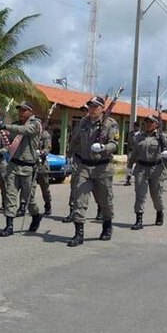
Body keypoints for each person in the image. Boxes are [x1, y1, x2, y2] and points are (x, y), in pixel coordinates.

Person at [66, 96, 118, 247]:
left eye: (96, 107)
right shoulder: (83, 122)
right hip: (84, 167)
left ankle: (107, 226)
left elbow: (114, 144)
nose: (92, 109)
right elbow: (75, 140)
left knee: (105, 201)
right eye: (90, 106)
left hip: (102, 168)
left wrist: (104, 148)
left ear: (102, 108)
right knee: (79, 199)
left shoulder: (110, 123)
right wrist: (70, 156)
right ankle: (78, 233)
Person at [0, 101, 43, 237]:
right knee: (10, 195)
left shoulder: (35, 124)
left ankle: (36, 215)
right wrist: (0, 130)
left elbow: (24, 131)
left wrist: (6, 126)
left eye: (23, 110)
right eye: (19, 110)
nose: (20, 113)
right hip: (13, 165)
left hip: (27, 167)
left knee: (29, 199)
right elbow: (9, 142)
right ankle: (9, 225)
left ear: (30, 111)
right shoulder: (16, 125)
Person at [128, 115, 167, 230]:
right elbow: (135, 152)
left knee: (156, 195)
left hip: (156, 169)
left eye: (151, 122)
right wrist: (129, 165)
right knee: (140, 195)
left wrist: (166, 153)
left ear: (156, 124)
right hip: (141, 168)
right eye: (146, 122)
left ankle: (159, 211)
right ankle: (139, 219)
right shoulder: (139, 137)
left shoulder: (162, 136)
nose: (148, 124)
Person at [36, 126, 53, 215]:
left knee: (44, 187)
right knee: (27, 187)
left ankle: (47, 203)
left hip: (42, 164)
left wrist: (42, 152)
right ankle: (23, 205)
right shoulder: (30, 133)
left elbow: (48, 148)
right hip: (31, 163)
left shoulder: (45, 134)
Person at [124, 121, 140, 186]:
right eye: (134, 126)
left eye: (137, 126)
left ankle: (138, 179)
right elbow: (127, 143)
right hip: (130, 152)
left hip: (138, 153)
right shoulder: (130, 134)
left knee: (138, 166)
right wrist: (127, 152)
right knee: (129, 166)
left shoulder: (141, 135)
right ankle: (128, 179)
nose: (135, 127)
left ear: (139, 127)